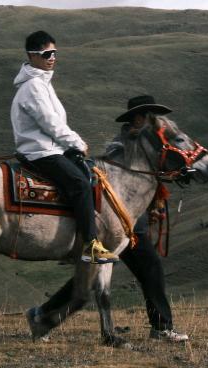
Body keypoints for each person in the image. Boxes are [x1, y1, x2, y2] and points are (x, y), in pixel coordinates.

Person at [30, 94, 190, 342]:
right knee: (114, 272)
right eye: (152, 117)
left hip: (133, 221)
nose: (158, 122)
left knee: (141, 269)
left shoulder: (151, 145)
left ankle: (43, 314)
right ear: (140, 119)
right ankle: (160, 328)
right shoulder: (121, 145)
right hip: (117, 220)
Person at [11, 30, 119, 265]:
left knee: (88, 176)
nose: (52, 58)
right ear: (32, 56)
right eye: (47, 53)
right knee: (80, 184)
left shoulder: (42, 84)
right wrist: (76, 142)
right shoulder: (33, 87)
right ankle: (90, 245)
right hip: (40, 152)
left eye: (54, 53)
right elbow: (50, 123)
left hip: (50, 149)